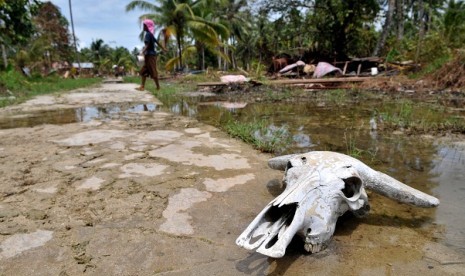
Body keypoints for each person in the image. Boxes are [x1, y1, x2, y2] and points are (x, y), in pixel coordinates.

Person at [136, 19, 166, 91]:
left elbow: (147, 45)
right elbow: (157, 42)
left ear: (147, 26)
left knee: (153, 71)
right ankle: (142, 86)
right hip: (149, 56)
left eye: (144, 25)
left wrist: (142, 51)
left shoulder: (147, 35)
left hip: (150, 56)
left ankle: (158, 87)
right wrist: (163, 48)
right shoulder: (151, 35)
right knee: (144, 71)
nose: (143, 27)